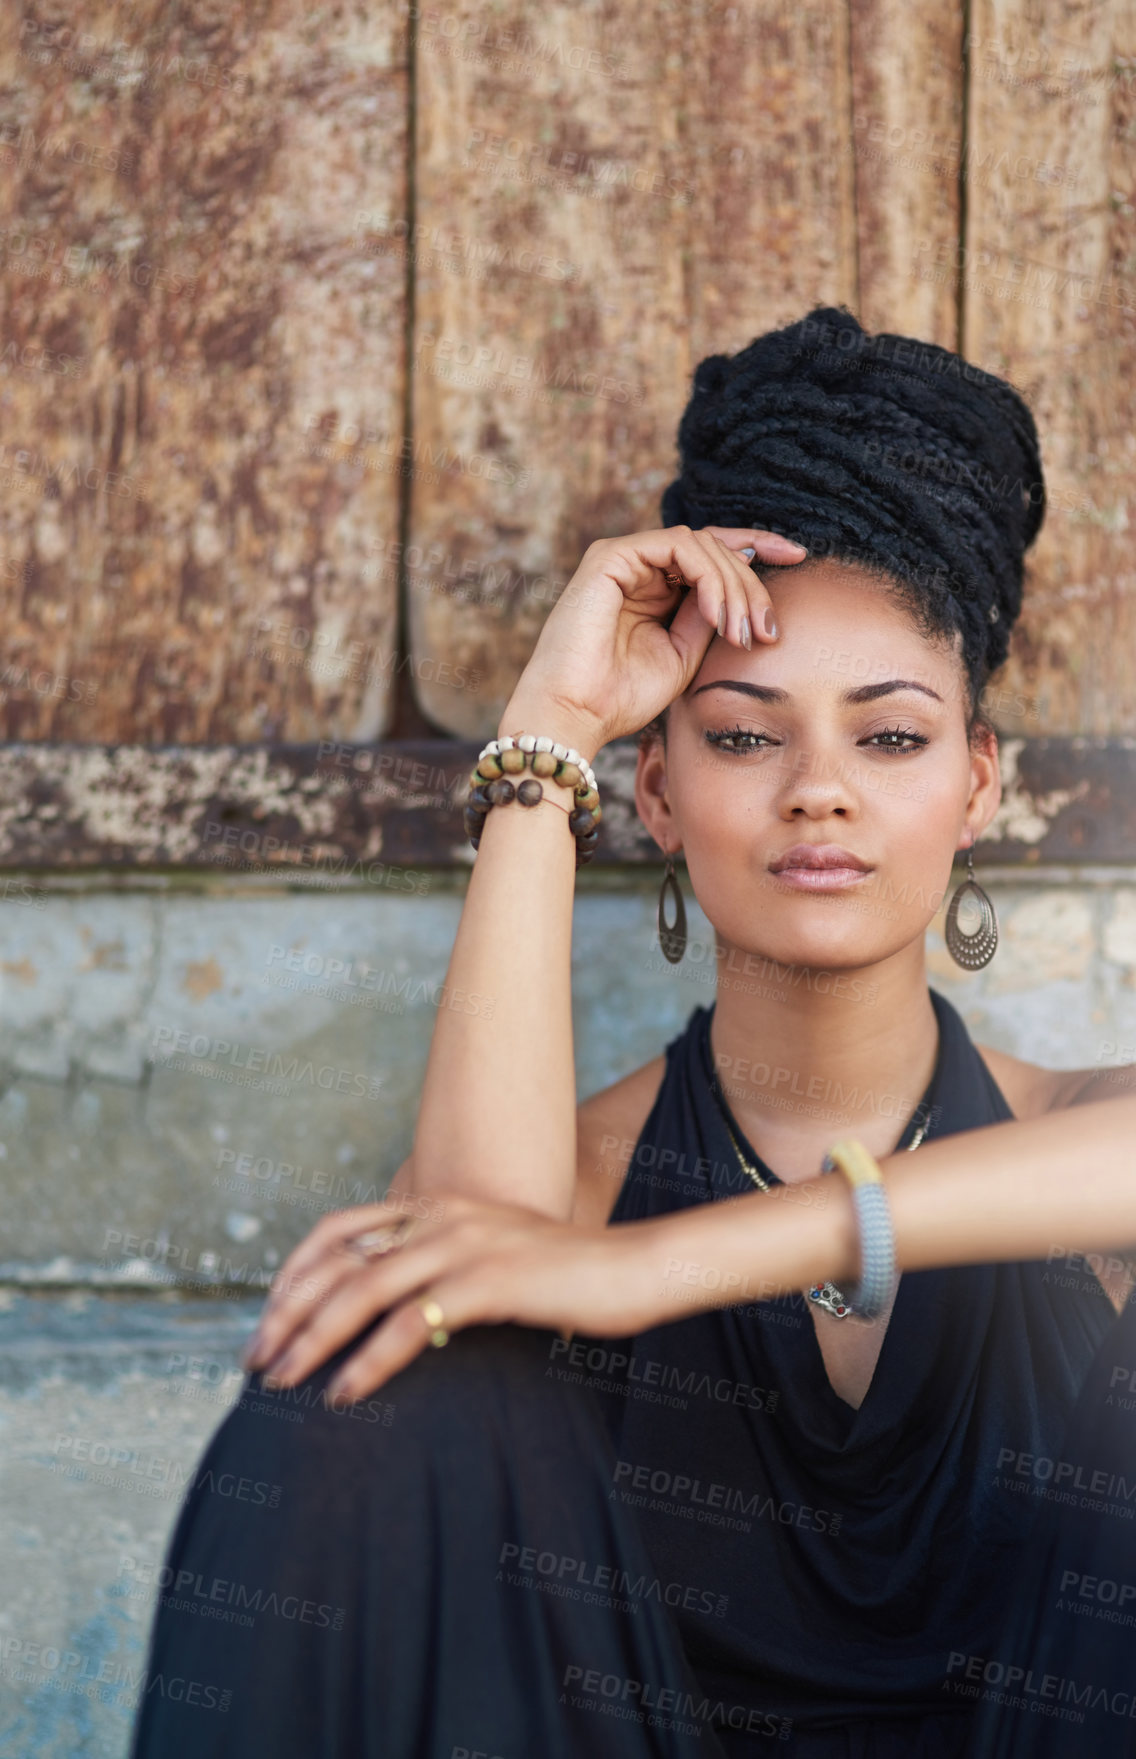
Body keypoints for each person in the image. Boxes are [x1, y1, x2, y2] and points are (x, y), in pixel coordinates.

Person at [129, 308, 1136, 1759]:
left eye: (892, 736)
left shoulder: (1076, 1141)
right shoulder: (576, 1190)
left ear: (978, 789)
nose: (819, 791)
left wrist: (657, 1268)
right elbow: (456, 1276)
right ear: (653, 793)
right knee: (394, 1371)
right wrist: (552, 742)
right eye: (741, 736)